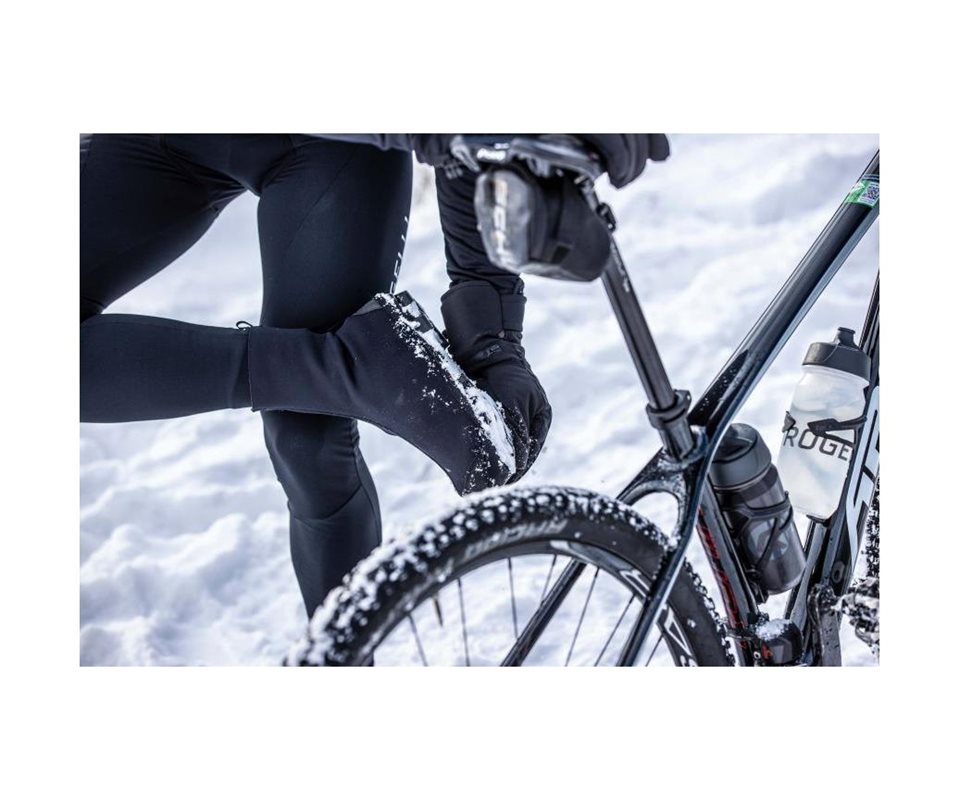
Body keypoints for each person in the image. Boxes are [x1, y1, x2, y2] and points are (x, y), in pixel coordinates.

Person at [80, 133, 668, 619]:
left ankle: (342, 669)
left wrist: (491, 335)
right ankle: (354, 367)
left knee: (308, 439)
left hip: (328, 146)